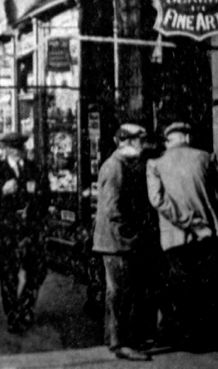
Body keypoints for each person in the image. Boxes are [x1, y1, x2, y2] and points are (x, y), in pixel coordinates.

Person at [146, 121, 218, 351]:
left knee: (180, 287)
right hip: (207, 233)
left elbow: (157, 200)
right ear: (187, 136)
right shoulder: (207, 158)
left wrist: (187, 222)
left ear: (170, 139)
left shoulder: (155, 164)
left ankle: (185, 338)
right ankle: (204, 337)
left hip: (174, 237)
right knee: (205, 286)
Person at [93, 123, 157, 362]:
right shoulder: (115, 167)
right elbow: (113, 209)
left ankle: (119, 339)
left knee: (122, 292)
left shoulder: (121, 164)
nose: (144, 145)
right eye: (141, 140)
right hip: (117, 242)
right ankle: (121, 343)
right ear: (129, 142)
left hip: (117, 240)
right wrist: (133, 235)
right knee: (120, 293)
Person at [0, 131, 49, 334]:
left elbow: (47, 196)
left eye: (20, 147)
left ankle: (25, 306)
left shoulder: (34, 169)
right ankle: (13, 316)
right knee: (8, 276)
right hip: (6, 231)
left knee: (37, 272)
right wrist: (1, 192)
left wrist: (37, 193)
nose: (17, 152)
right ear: (5, 150)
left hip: (31, 230)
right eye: (12, 148)